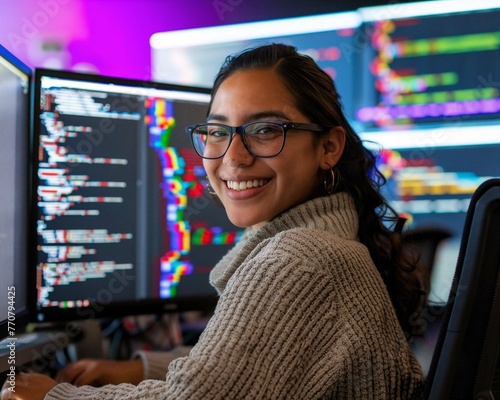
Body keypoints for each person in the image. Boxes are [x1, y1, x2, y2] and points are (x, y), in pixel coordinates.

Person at [1, 43, 428, 400]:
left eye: (264, 130)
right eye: (218, 132)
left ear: (329, 147)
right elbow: (248, 365)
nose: (233, 158)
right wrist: (136, 368)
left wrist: (51, 396)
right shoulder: (327, 240)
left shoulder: (297, 259)